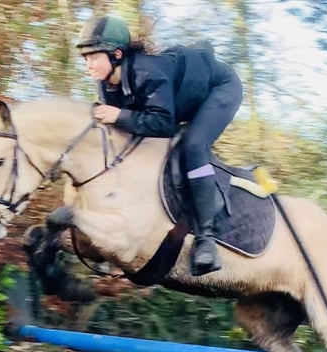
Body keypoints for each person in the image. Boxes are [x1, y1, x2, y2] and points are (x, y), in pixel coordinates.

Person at [76, 15, 243, 277]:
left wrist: (119, 115)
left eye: (94, 56)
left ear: (116, 55)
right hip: (181, 102)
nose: (88, 64)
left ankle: (206, 240)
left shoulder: (146, 71)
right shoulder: (106, 85)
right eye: (85, 57)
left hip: (220, 88)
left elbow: (163, 124)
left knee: (193, 145)